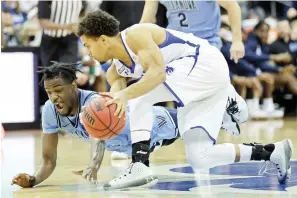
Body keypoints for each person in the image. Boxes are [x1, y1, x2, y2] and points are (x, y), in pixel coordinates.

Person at [77, 10, 293, 189]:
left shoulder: (135, 35)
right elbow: (117, 93)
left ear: (103, 39)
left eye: (88, 45)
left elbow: (157, 75)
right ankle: (271, 151)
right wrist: (115, 106)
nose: (87, 51)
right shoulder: (114, 72)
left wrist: (125, 96)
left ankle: (140, 165)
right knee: (200, 156)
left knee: (139, 95)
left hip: (204, 63)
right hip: (195, 84)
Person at [10, 61, 243, 189]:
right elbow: (49, 159)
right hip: (134, 144)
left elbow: (97, 138)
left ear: (73, 86)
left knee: (198, 121)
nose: (53, 97)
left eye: (58, 90)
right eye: (49, 92)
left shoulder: (93, 102)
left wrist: (93, 164)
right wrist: (32, 180)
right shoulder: (51, 112)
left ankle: (224, 99)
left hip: (154, 124)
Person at [139, 0, 244, 62]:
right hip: (175, 43)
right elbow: (147, 20)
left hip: (206, 43)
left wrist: (237, 41)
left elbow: (233, 6)